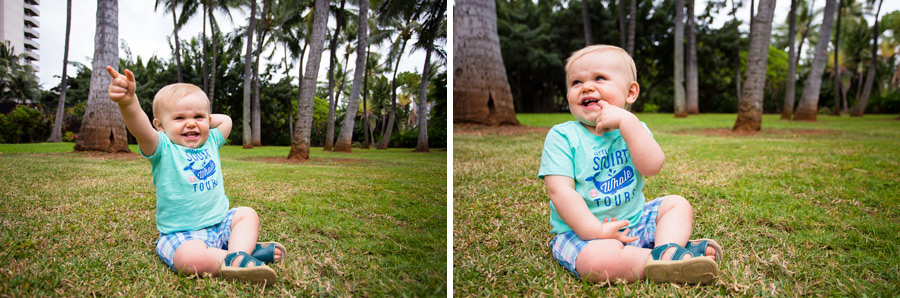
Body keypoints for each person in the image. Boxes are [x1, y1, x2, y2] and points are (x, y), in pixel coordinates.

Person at [538, 45, 723, 284]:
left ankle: (667, 249)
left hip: (635, 220)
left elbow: (652, 166)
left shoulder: (633, 128)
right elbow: (560, 191)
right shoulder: (562, 137)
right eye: (575, 83)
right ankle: (666, 260)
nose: (586, 87)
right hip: (583, 233)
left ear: (630, 93)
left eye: (600, 78)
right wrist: (596, 231)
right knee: (596, 263)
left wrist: (628, 123)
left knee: (676, 204)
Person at [106, 66, 286, 285]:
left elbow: (226, 120)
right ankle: (239, 258)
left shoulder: (211, 140)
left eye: (198, 117)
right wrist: (128, 102)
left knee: (247, 214)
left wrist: (204, 118)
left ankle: (238, 255)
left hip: (220, 224)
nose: (191, 123)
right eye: (180, 117)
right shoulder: (162, 147)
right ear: (160, 126)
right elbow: (140, 128)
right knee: (189, 259)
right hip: (183, 235)